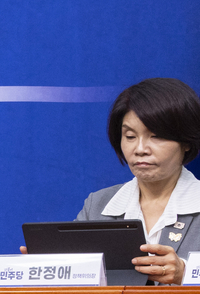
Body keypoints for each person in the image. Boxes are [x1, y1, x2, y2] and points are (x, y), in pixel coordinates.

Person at [69, 78, 200, 285]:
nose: (140, 149)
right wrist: (50, 265)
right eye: (130, 136)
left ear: (186, 142)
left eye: (156, 136)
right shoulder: (98, 204)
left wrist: (187, 273)